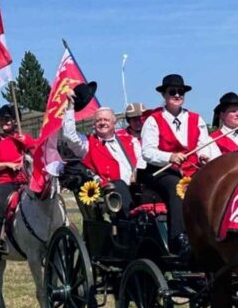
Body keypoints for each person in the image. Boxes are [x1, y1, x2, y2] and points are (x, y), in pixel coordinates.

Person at [140, 74, 219, 255]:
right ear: (164, 95)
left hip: (191, 168)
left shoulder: (196, 119)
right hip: (162, 171)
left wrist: (204, 156)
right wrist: (169, 157)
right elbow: (147, 152)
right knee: (178, 187)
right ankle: (179, 237)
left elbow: (202, 144)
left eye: (180, 92)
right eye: (172, 92)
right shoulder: (153, 121)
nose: (177, 95)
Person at [62, 106, 143, 213]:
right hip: (113, 192)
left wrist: (137, 172)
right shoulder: (87, 143)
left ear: (114, 123)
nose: (102, 123)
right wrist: (70, 109)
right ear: (94, 124)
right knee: (119, 184)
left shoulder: (129, 139)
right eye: (98, 120)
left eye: (106, 120)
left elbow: (141, 158)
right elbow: (70, 136)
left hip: (137, 186)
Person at [0, 104, 36, 256]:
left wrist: (26, 142)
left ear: (15, 121)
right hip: (4, 181)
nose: (3, 122)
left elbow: (37, 152)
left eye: (7, 119)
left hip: (25, 181)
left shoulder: (24, 138)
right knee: (0, 205)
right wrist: (7, 165)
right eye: (2, 119)